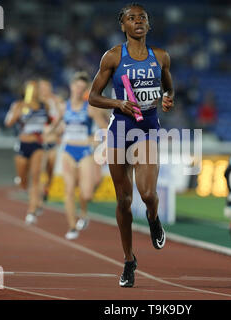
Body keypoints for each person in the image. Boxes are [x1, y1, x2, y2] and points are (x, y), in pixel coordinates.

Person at [88, 3, 174, 287]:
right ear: (123, 25)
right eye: (131, 18)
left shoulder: (160, 56)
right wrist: (117, 103)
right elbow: (93, 97)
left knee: (148, 194)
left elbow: (169, 87)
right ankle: (128, 260)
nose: (138, 21)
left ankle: (153, 217)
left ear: (148, 25)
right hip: (121, 130)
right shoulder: (113, 56)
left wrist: (167, 98)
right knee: (123, 201)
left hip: (147, 129)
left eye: (143, 18)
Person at [49, 72, 109, 240]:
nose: (79, 90)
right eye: (77, 86)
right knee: (68, 191)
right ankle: (72, 227)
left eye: (83, 88)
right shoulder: (63, 107)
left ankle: (83, 212)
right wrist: (51, 134)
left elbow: (106, 128)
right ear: (71, 87)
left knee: (87, 194)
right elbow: (55, 126)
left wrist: (96, 139)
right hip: (68, 151)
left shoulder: (90, 109)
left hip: (85, 152)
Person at [5, 80, 50, 225]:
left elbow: (50, 121)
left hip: (37, 144)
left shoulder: (44, 105)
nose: (34, 91)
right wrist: (19, 111)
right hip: (23, 143)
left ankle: (31, 211)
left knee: (35, 177)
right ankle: (22, 183)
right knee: (23, 179)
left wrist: (50, 133)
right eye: (30, 88)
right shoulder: (18, 105)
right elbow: (8, 123)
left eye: (35, 88)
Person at [38, 78, 63, 203]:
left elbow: (62, 117)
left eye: (46, 87)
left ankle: (46, 188)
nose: (44, 90)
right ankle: (39, 193)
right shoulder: (35, 102)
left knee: (50, 169)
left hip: (52, 140)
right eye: (41, 87)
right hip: (39, 141)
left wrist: (58, 130)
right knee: (40, 168)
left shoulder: (56, 101)